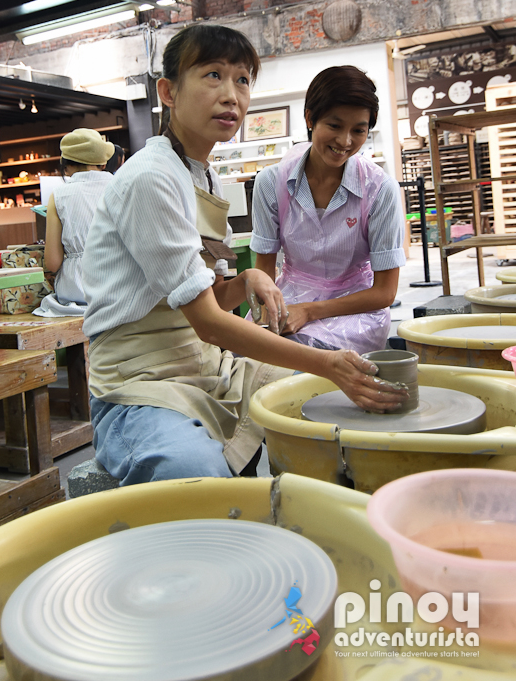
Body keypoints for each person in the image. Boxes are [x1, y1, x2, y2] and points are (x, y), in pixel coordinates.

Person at [82, 25, 407, 486]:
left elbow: (211, 295)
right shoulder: (152, 177)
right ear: (168, 92)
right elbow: (210, 320)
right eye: (213, 75)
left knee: (321, 408)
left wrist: (246, 282)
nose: (231, 95)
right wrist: (327, 364)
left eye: (242, 80)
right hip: (139, 381)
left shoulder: (202, 175)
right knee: (195, 472)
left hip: (204, 363)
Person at [250, 66, 405, 353]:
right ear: (310, 118)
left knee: (315, 356)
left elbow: (384, 292)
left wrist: (308, 311)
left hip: (355, 309)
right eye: (334, 126)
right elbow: (264, 275)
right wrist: (267, 315)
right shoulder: (271, 183)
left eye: (358, 130)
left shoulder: (380, 189)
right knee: (250, 353)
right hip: (290, 299)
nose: (345, 141)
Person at [33, 128, 114, 317]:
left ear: (66, 166)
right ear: (102, 162)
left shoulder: (59, 195)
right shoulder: (123, 186)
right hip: (121, 289)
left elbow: (53, 262)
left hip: (77, 293)